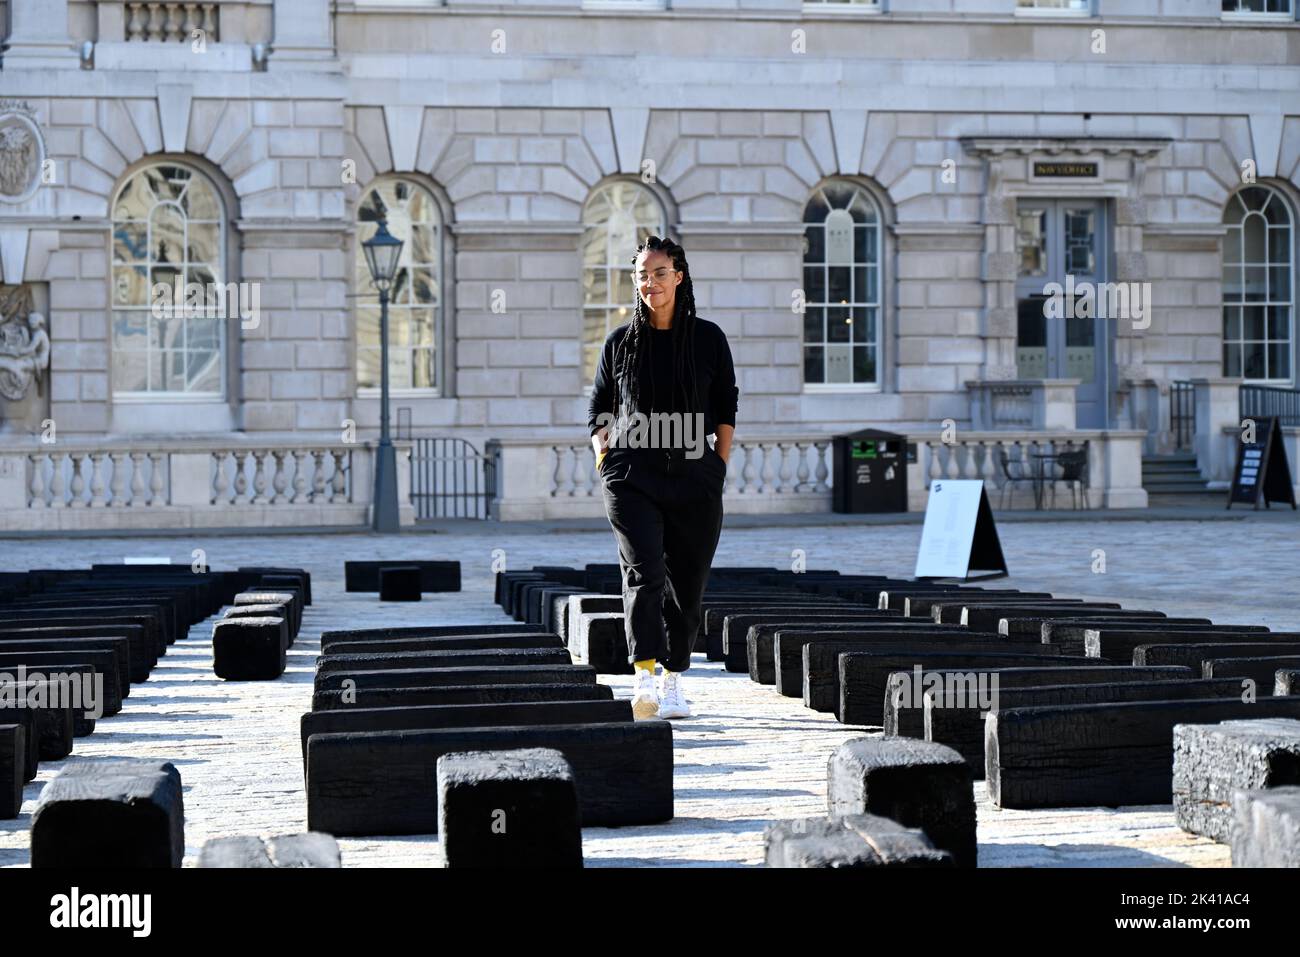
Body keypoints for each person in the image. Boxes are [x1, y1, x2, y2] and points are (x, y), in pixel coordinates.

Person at [587, 236, 738, 720]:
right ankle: (645, 677)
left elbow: (725, 405)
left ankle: (675, 678)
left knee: (687, 585)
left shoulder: (709, 339)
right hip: (633, 476)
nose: (650, 282)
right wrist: (605, 458)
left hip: (695, 475)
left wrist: (719, 465)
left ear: (679, 276)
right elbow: (599, 408)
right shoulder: (620, 343)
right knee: (644, 574)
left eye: (659, 272)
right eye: (641, 275)